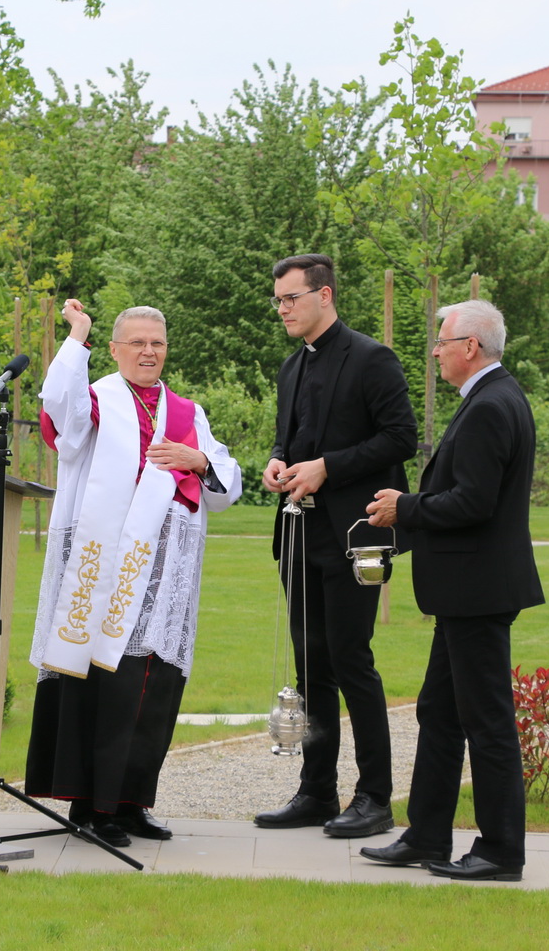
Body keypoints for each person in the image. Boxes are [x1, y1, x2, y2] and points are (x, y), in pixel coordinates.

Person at [26, 299, 242, 847]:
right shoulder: (96, 398)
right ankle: (90, 807)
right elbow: (61, 416)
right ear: (117, 349)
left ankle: (131, 803)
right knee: (102, 687)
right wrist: (78, 336)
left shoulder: (187, 413)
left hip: (162, 579)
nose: (149, 352)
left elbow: (228, 480)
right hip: (102, 579)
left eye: (158, 343)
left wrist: (199, 462)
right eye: (138, 343)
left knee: (151, 691)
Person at [360, 299, 543, 882]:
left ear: (470, 347)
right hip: (467, 592)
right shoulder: (492, 397)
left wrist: (403, 507)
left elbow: (474, 501)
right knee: (440, 713)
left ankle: (500, 851)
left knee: (487, 721)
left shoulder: (491, 405)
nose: (435, 352)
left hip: (479, 591)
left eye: (441, 343)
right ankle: (428, 834)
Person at [256, 254, 417, 839]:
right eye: (277, 300)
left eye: (290, 298)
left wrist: (328, 468)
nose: (282, 309)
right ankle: (317, 791)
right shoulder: (292, 366)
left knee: (352, 661)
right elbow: (289, 437)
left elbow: (403, 438)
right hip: (299, 537)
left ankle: (375, 797)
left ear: (324, 295)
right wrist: (279, 462)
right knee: (311, 668)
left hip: (359, 540)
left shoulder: (373, 359)